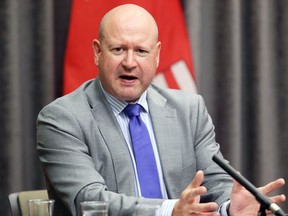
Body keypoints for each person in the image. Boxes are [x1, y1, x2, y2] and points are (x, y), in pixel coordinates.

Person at [37, 4, 286, 216]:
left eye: (141, 51)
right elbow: (88, 201)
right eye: (118, 49)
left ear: (156, 56)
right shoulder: (62, 118)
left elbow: (215, 182)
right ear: (97, 52)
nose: (130, 62)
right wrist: (170, 210)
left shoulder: (188, 110)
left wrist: (230, 208)